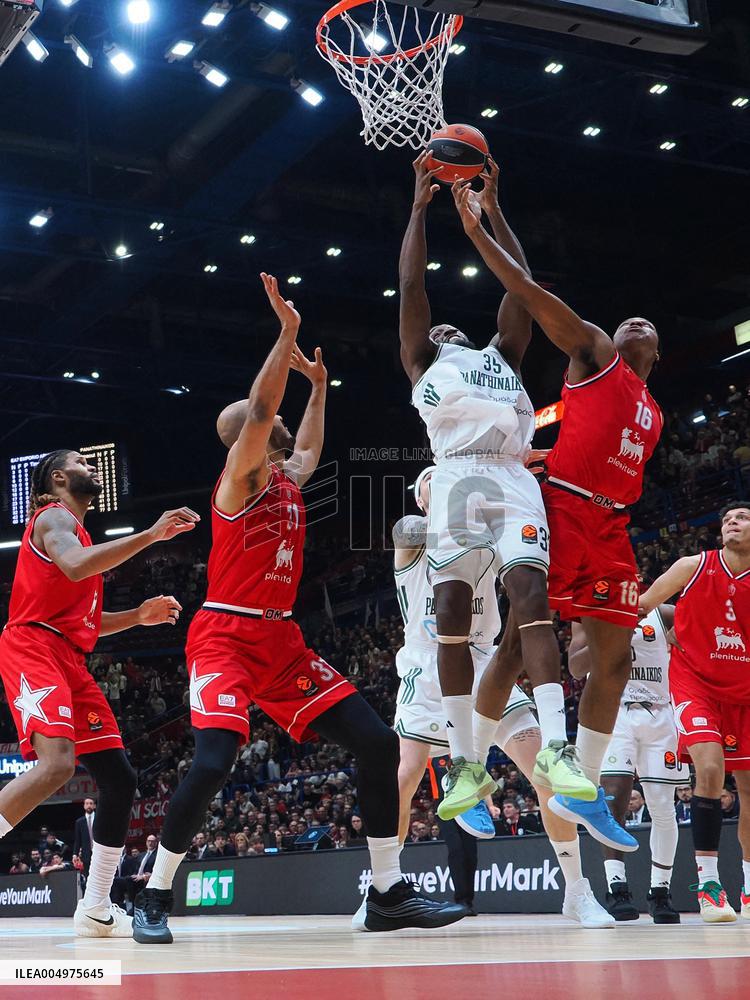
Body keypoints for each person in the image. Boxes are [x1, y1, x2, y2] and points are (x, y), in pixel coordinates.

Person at [134, 273, 465, 943]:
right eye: (264, 423)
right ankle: (154, 894)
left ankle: (387, 894)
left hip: (281, 641)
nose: (275, 424)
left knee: (376, 744)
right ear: (242, 443)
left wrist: (317, 387)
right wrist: (285, 336)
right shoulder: (242, 479)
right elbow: (258, 416)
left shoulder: (286, 478)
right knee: (215, 759)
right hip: (224, 634)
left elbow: (308, 448)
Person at [452, 178, 662, 853]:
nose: (634, 324)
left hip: (614, 526)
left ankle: (587, 790)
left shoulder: (654, 412)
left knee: (617, 660)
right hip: (564, 508)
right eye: (630, 322)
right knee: (520, 645)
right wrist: (483, 224)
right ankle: (469, 770)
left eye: (647, 328)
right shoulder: (596, 353)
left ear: (655, 354)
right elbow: (527, 289)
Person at [398, 154, 592, 821]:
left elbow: (521, 286)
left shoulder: (501, 356)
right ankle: (465, 765)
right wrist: (420, 210)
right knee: (451, 614)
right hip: (454, 478)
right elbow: (412, 287)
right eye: (437, 327)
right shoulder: (425, 361)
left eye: (455, 326)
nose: (445, 327)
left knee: (530, 598)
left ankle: (557, 749)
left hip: (512, 477)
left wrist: (494, 208)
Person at [371, 469, 613, 927]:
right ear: (424, 496)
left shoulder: (493, 536)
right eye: (431, 483)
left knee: (544, 772)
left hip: (486, 667)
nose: (440, 486)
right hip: (427, 670)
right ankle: (385, 885)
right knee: (401, 781)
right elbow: (406, 529)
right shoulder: (414, 532)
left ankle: (578, 891)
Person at [0, 448, 195, 937]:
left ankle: (95, 906)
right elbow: (74, 566)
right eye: (82, 462)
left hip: (69, 655)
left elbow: (84, 622)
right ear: (60, 477)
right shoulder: (54, 519)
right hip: (33, 644)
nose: (92, 467)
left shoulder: (81, 535)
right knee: (58, 764)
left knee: (119, 777)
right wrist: (151, 535)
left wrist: (136, 616)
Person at [638, 502, 750, 922]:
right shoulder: (693, 565)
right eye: (726, 520)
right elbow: (644, 603)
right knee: (709, 769)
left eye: (741, 518)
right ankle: (708, 886)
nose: (731, 523)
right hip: (695, 684)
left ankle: (749, 890)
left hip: (744, 691)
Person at [568, 606, 682, 923]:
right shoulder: (589, 615)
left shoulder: (663, 613)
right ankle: (616, 888)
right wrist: (610, 633)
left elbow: (699, 626)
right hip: (614, 710)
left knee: (662, 805)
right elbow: (576, 667)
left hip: (661, 712)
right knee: (613, 797)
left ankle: (660, 892)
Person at [72, 796, 96, 875]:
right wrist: (75, 854)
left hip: (99, 851)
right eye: (87, 803)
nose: (89, 805)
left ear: (94, 806)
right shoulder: (79, 822)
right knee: (88, 875)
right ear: (84, 806)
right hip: (86, 853)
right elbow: (78, 840)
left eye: (91, 803)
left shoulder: (99, 819)